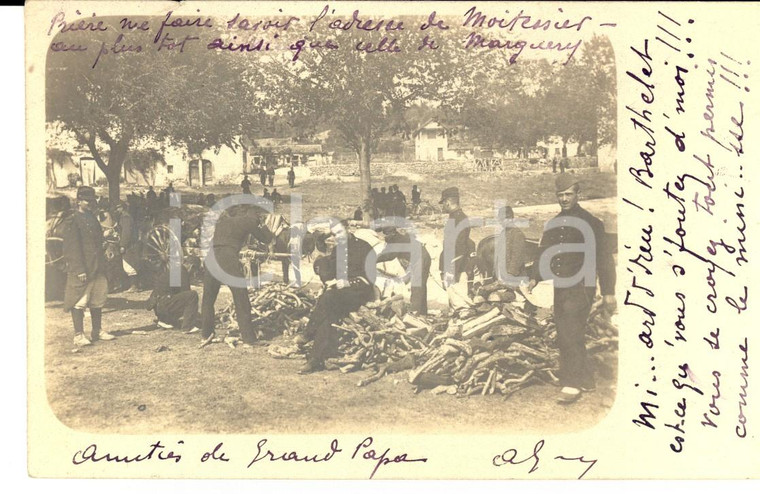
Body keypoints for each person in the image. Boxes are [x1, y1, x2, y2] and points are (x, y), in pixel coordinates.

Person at [527, 174, 616, 404]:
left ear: (578, 195)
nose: (564, 199)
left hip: (582, 287)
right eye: (560, 195)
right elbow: (543, 251)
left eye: (568, 194)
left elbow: (605, 259)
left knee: (570, 331)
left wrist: (608, 291)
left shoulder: (592, 223)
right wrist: (535, 277)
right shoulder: (553, 223)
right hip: (561, 287)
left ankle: (572, 383)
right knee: (567, 330)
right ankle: (586, 378)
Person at [298, 226, 376, 373]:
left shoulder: (364, 247)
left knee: (328, 298)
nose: (337, 237)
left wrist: (348, 282)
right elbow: (330, 272)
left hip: (359, 292)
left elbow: (370, 277)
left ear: (348, 230)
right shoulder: (337, 249)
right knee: (330, 314)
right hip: (340, 294)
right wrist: (324, 271)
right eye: (334, 234)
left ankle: (309, 333)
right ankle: (314, 360)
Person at [200, 205, 272, 347]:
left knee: (208, 299)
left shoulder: (223, 222)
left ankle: (206, 335)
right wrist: (265, 227)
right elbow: (266, 239)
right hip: (227, 258)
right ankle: (249, 339)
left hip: (211, 257)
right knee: (241, 298)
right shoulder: (248, 221)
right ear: (253, 214)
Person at [63, 186, 116, 346]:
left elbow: (96, 241)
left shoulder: (92, 217)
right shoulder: (73, 220)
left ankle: (96, 331)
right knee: (80, 300)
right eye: (87, 200)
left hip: (98, 266)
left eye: (92, 201)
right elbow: (71, 248)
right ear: (79, 201)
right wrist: (79, 269)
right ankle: (78, 335)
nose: (90, 203)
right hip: (83, 268)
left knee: (97, 299)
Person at [377, 227, 431, 315]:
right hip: (420, 256)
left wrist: (374, 259)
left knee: (417, 285)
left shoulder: (398, 240)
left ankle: (415, 311)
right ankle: (422, 312)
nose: (385, 238)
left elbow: (390, 255)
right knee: (420, 285)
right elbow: (386, 251)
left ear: (392, 233)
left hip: (420, 257)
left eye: (386, 235)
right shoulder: (394, 239)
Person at [438, 187, 475, 309]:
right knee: (454, 303)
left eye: (443, 202)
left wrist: (451, 270)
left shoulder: (458, 218)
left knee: (459, 304)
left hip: (456, 269)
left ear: (447, 202)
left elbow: (459, 246)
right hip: (454, 266)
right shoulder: (455, 217)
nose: (443, 205)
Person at [147, 260, 200, 333]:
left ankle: (165, 321)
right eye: (195, 270)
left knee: (179, 297)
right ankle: (188, 327)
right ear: (191, 266)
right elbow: (187, 295)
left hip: (158, 306)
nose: (194, 273)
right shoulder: (182, 272)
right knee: (192, 295)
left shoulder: (174, 270)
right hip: (164, 304)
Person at [114, 201, 142, 291]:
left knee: (129, 264)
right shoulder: (126, 217)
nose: (117, 210)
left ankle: (134, 286)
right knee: (131, 263)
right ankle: (134, 285)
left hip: (130, 245)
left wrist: (123, 245)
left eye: (118, 208)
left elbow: (126, 233)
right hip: (132, 244)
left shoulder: (125, 218)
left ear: (122, 208)